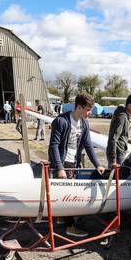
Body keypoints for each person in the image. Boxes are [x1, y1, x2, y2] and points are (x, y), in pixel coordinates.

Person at [48, 92, 105, 237]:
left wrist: (97, 164)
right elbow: (53, 146)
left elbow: (88, 145)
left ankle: (62, 217)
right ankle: (70, 227)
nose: (90, 112)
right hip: (62, 163)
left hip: (73, 162)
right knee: (68, 195)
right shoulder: (61, 121)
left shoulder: (84, 123)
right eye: (88, 109)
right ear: (79, 107)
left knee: (66, 194)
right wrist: (60, 168)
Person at [107, 93, 131, 169]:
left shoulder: (125, 115)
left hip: (119, 153)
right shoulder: (122, 117)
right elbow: (113, 138)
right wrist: (113, 160)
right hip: (117, 157)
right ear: (129, 106)